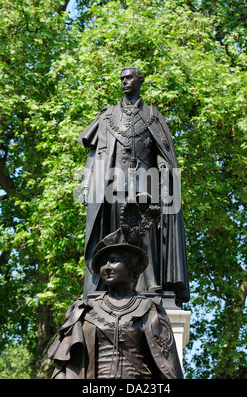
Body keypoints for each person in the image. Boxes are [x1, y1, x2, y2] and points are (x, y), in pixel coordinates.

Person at [77, 66, 189, 304]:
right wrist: (86, 185)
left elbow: (163, 151)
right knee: (116, 233)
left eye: (128, 78)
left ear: (140, 81)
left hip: (145, 183)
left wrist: (163, 167)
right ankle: (114, 283)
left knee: (144, 229)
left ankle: (150, 282)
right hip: (113, 184)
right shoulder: (107, 115)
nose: (124, 82)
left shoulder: (152, 115)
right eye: (121, 79)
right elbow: (94, 154)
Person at [47, 223, 184, 379]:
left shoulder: (150, 309)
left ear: (130, 265)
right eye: (103, 263)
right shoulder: (85, 311)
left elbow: (168, 365)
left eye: (113, 261)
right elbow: (65, 365)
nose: (107, 267)